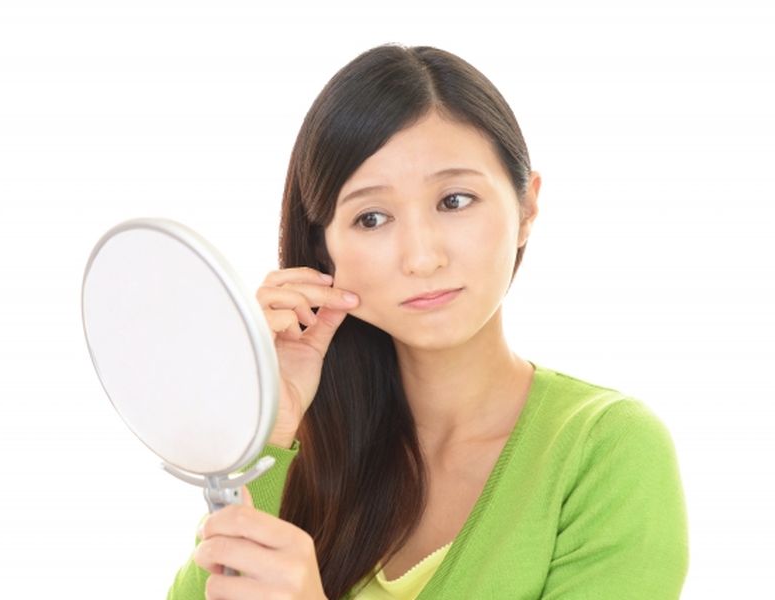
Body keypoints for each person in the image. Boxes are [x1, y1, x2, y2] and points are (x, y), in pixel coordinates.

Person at [166, 43, 689, 599]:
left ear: (526, 208)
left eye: (455, 201)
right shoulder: (304, 449)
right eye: (372, 218)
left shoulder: (606, 449)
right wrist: (268, 432)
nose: (421, 257)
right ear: (324, 249)